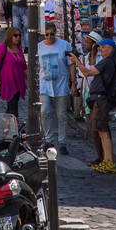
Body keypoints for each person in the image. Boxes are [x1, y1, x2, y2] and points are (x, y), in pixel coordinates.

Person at [73, 35, 116, 173]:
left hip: (101, 99)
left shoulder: (107, 62)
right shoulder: (105, 62)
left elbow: (86, 72)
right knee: (100, 130)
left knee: (103, 131)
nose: (101, 49)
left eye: (104, 47)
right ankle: (105, 160)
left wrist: (76, 60)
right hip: (97, 98)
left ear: (111, 49)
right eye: (100, 47)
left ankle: (109, 161)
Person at [39, 17, 76, 153]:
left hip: (61, 84)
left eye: (51, 34)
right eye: (47, 34)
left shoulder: (64, 45)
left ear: (56, 33)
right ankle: (48, 139)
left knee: (61, 114)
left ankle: (62, 141)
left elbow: (71, 64)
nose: (49, 37)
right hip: (45, 85)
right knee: (45, 112)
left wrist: (73, 82)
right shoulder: (39, 47)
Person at [0, 26, 27, 119]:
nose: (18, 37)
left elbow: (24, 66)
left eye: (19, 35)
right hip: (8, 82)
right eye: (15, 35)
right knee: (13, 105)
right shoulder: (2, 48)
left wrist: (30, 80)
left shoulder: (19, 49)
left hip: (19, 82)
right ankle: (16, 127)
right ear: (10, 36)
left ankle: (7, 128)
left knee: (11, 105)